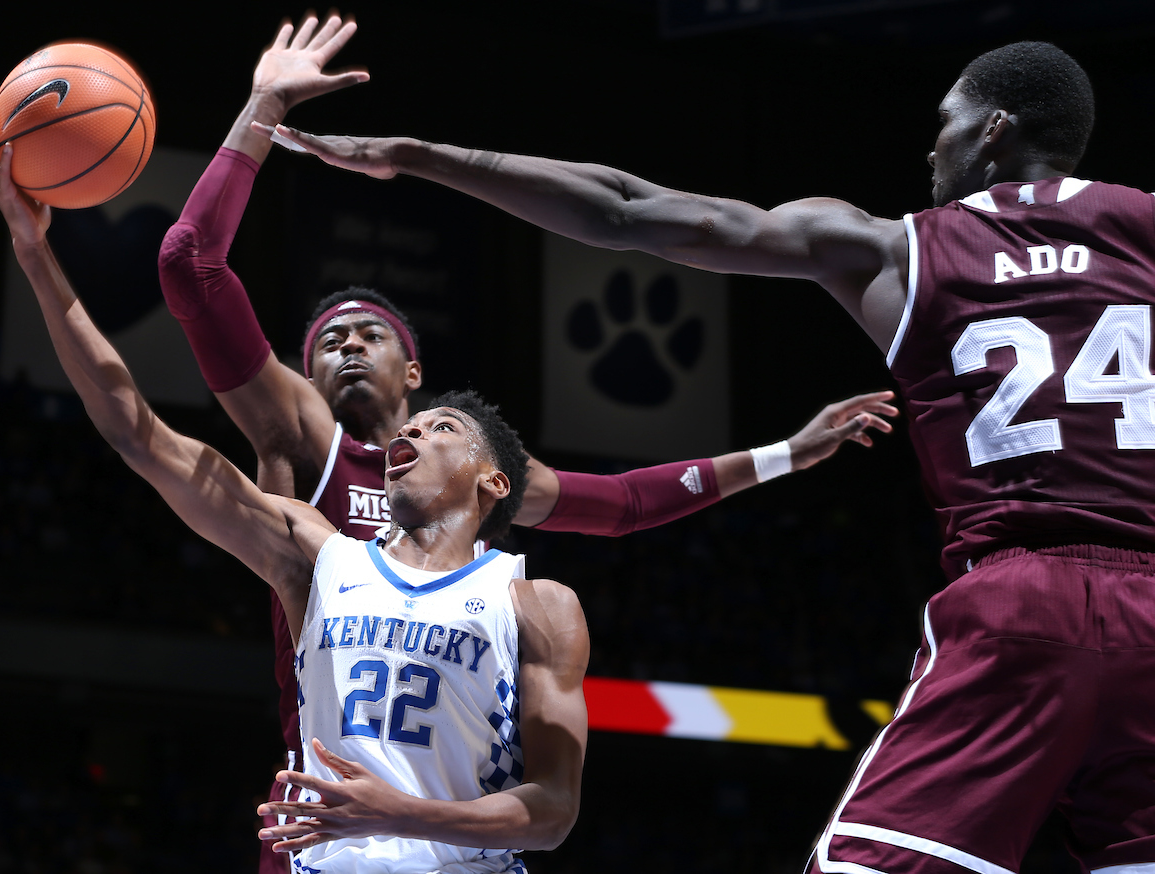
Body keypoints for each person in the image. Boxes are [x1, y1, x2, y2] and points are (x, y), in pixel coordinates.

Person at [262, 40, 1155, 874]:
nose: (932, 150)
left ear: (993, 130)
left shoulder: (901, 247)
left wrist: (416, 156)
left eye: (946, 124)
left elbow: (626, 209)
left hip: (1020, 604)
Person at [156, 15, 897, 871]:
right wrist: (263, 106)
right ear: (305, 375)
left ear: (414, 371)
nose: (348, 344)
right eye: (327, 341)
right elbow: (189, 264)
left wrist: (787, 454)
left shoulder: (478, 471)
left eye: (370, 333)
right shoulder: (299, 435)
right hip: (324, 816)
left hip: (457, 822)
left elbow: (623, 505)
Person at [0, 99, 590, 874]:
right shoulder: (316, 556)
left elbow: (552, 813)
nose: (411, 435)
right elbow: (135, 430)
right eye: (410, 430)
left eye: (441, 428)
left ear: (494, 480)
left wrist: (400, 813)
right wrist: (32, 252)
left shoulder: (539, 605)